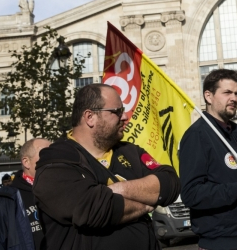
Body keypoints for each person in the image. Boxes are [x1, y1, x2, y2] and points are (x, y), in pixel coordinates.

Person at [33, 83, 180, 250]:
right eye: (116, 111)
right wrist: (146, 203)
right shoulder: (56, 162)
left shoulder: (129, 152)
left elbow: (169, 182)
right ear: (90, 117)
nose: (125, 117)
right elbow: (93, 210)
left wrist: (120, 189)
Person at [179, 69, 237, 250]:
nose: (234, 98)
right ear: (208, 96)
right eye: (227, 93)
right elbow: (191, 194)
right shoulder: (197, 135)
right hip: (222, 244)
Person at [0, 138, 51, 249]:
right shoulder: (4, 202)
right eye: (45, 154)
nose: (52, 159)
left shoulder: (62, 192)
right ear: (26, 162)